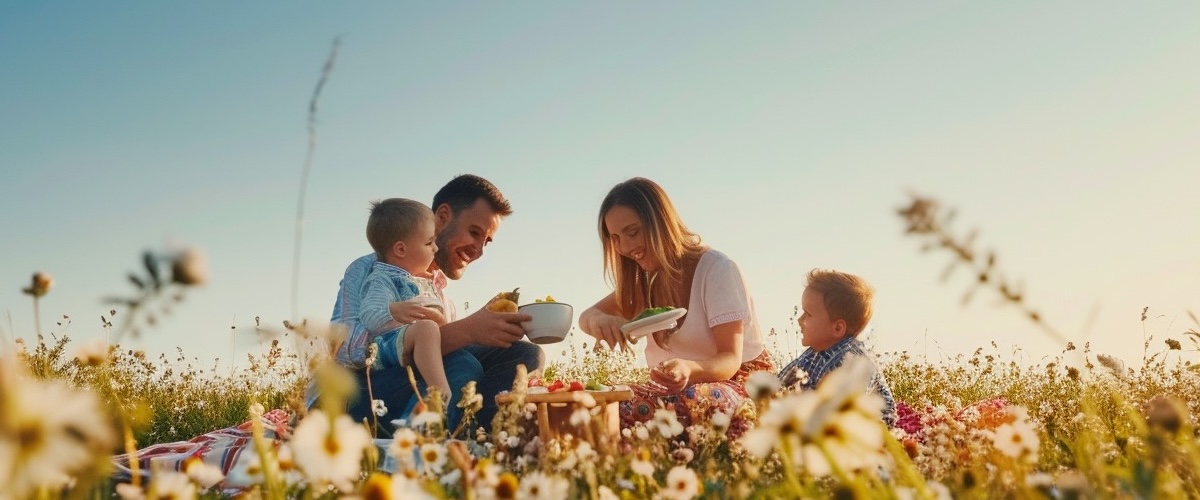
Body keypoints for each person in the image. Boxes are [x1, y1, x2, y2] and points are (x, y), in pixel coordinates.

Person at [319, 175, 544, 435]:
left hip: (422, 386)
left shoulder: (441, 295)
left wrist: (484, 329)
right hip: (361, 394)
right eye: (474, 233)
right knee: (461, 362)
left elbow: (441, 348)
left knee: (525, 354)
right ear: (442, 217)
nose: (479, 250)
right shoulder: (373, 269)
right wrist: (466, 331)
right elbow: (343, 351)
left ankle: (487, 434)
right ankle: (423, 438)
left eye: (486, 241)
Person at [578, 177, 774, 437]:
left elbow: (730, 359)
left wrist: (689, 369)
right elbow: (586, 316)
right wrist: (599, 321)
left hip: (739, 383)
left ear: (660, 222)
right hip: (674, 390)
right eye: (615, 238)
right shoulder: (645, 282)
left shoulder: (717, 269)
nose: (624, 247)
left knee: (688, 401)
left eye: (632, 232)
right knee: (599, 400)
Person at [357, 198, 453, 402]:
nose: (436, 248)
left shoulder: (423, 281)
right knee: (426, 329)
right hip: (386, 347)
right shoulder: (383, 278)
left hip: (411, 344)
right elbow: (368, 314)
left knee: (433, 331)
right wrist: (393, 310)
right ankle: (440, 392)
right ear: (400, 250)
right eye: (429, 243)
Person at [777, 268, 897, 427]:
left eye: (808, 314)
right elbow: (780, 384)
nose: (800, 320)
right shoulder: (813, 354)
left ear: (838, 328)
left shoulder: (849, 362)